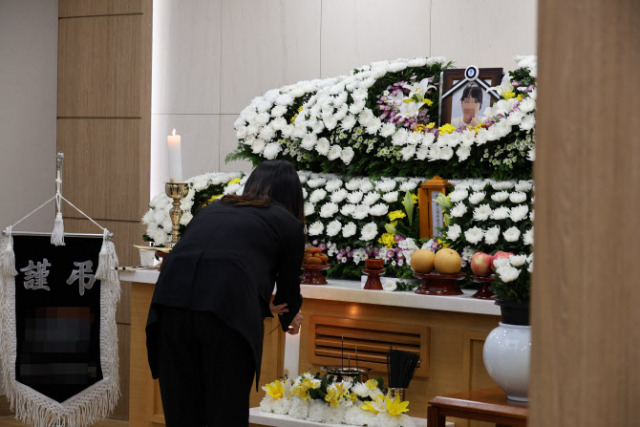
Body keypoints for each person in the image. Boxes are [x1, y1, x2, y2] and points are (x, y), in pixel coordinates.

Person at [145, 160, 305, 426]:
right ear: (293, 196)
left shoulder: (214, 208)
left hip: (169, 306)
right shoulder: (288, 223)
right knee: (224, 413)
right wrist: (290, 318)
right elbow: (287, 289)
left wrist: (264, 306)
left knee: (183, 415)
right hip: (226, 320)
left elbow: (211, 266)